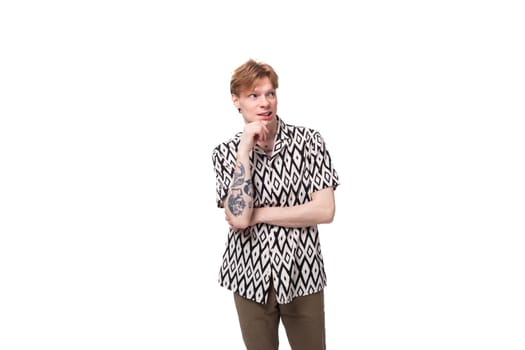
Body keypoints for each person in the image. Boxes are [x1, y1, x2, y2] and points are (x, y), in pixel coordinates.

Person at [212, 59, 340, 350]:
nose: (264, 103)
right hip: (248, 276)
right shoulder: (224, 153)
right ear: (236, 100)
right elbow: (238, 217)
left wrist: (260, 214)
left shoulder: (309, 142)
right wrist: (244, 149)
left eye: (270, 93)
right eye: (253, 95)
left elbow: (324, 210)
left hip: (302, 272)